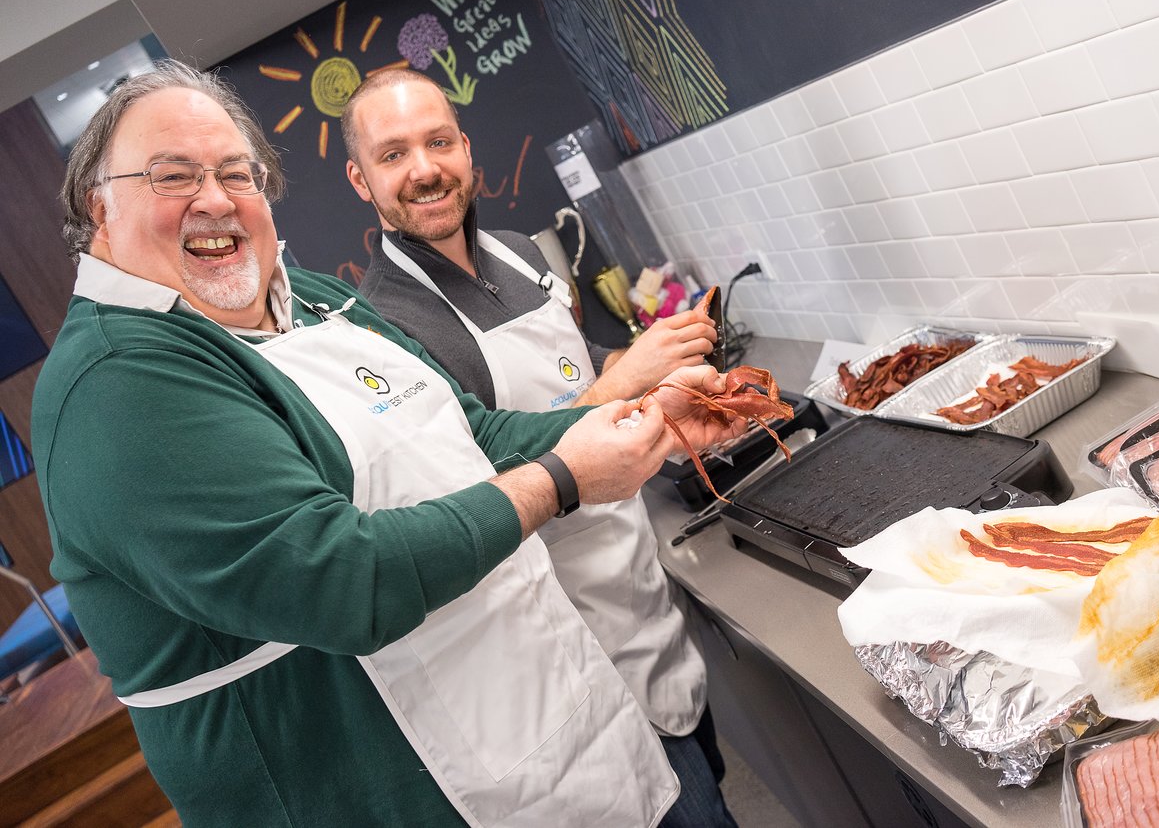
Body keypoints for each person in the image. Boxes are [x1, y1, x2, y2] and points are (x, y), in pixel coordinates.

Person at [32, 60, 747, 828]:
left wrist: (650, 417)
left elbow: (476, 432)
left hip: (570, 734)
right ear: (95, 208)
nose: (215, 199)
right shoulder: (119, 381)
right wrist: (562, 477)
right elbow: (337, 577)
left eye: (237, 172)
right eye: (174, 176)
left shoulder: (315, 297)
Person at [341, 68, 736, 828]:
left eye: (437, 140)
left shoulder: (523, 254)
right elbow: (475, 498)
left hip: (647, 599)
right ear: (361, 180)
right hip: (578, 665)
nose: (424, 168)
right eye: (393, 155)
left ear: (465, 146)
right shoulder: (383, 330)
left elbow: (580, 377)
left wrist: (662, 389)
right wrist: (626, 384)